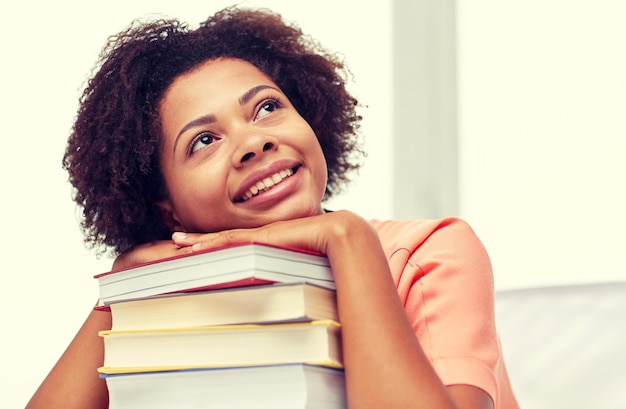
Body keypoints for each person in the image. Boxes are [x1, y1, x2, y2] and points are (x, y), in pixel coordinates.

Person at [27, 6, 519, 409]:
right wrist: (124, 290)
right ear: (169, 210)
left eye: (266, 107)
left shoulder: (428, 253)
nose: (253, 143)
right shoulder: (165, 290)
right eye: (203, 140)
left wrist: (346, 239)